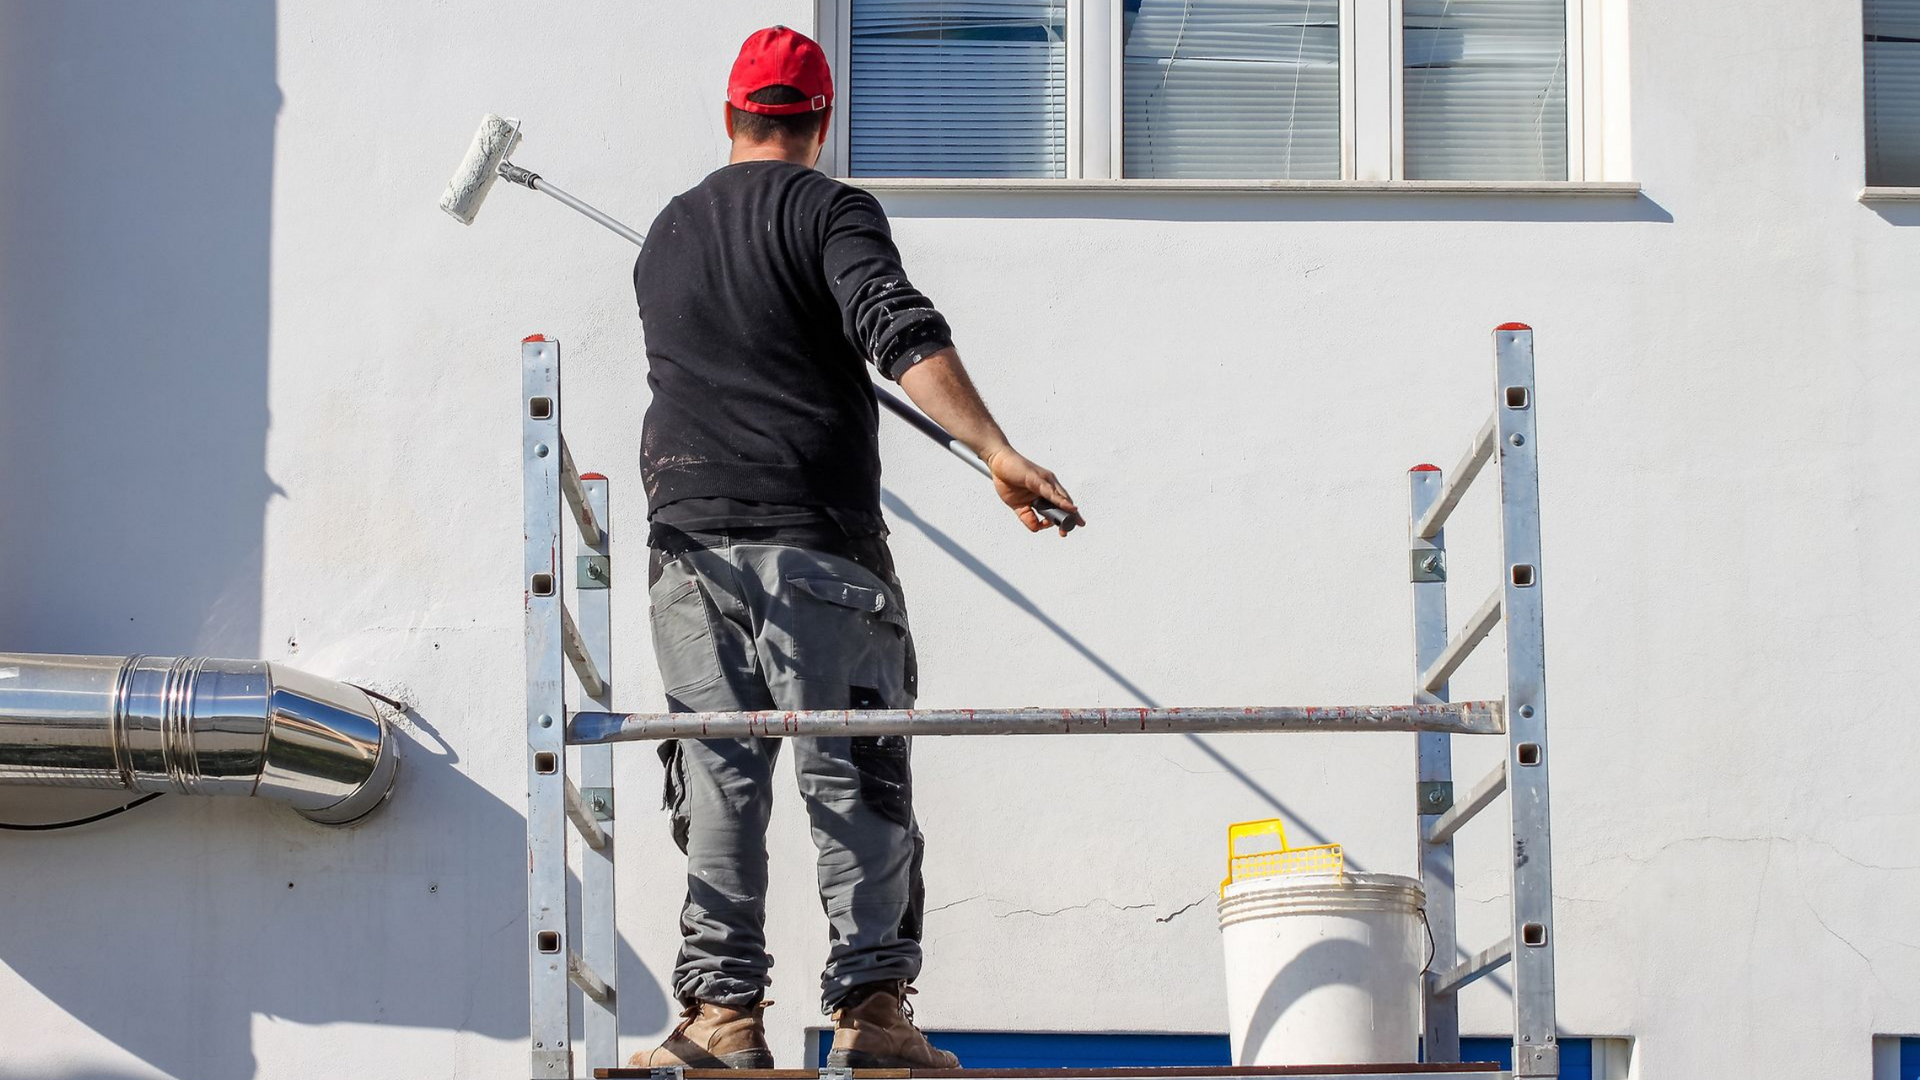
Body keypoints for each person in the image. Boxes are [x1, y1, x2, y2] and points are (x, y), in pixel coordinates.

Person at [628, 24, 1085, 1072]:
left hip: (688, 552)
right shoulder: (830, 209)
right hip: (817, 547)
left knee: (717, 781)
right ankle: (873, 1016)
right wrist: (997, 451)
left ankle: (719, 1019)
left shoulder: (666, 234)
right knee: (853, 770)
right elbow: (896, 326)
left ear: (731, 117)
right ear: (822, 120)